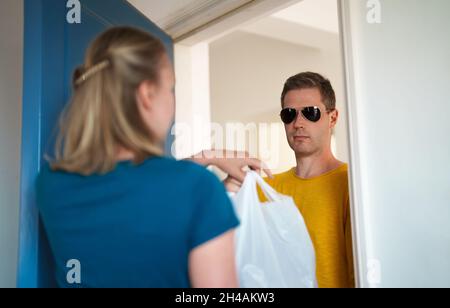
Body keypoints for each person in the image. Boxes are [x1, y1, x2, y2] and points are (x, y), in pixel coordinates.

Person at [36, 26, 270, 288]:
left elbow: (132, 188)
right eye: (170, 88)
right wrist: (206, 187)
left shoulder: (51, 184)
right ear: (147, 95)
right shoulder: (199, 189)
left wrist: (208, 158)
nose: (172, 101)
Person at [227, 72, 355, 288]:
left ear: (332, 118)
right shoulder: (265, 187)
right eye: (289, 114)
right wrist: (227, 187)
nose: (298, 123)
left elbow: (360, 273)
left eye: (310, 113)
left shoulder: (350, 184)